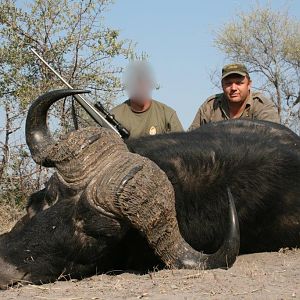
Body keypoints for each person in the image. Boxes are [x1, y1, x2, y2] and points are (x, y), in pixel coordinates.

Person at [189, 63, 280, 130]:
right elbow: (192, 138)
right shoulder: (210, 106)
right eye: (228, 83)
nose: (233, 88)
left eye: (239, 83)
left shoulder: (262, 106)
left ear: (249, 84)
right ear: (222, 85)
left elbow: (272, 140)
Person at [111, 61, 183, 139]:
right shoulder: (115, 116)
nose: (141, 89)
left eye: (144, 84)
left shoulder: (167, 114)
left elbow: (182, 144)